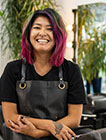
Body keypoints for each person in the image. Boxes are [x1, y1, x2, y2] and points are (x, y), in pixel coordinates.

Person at [0, 8, 87, 140]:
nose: (42, 33)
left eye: (50, 29)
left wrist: (39, 133)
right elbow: (10, 118)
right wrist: (49, 125)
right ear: (29, 33)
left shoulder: (71, 70)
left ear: (59, 35)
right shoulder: (12, 70)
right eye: (37, 27)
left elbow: (74, 118)